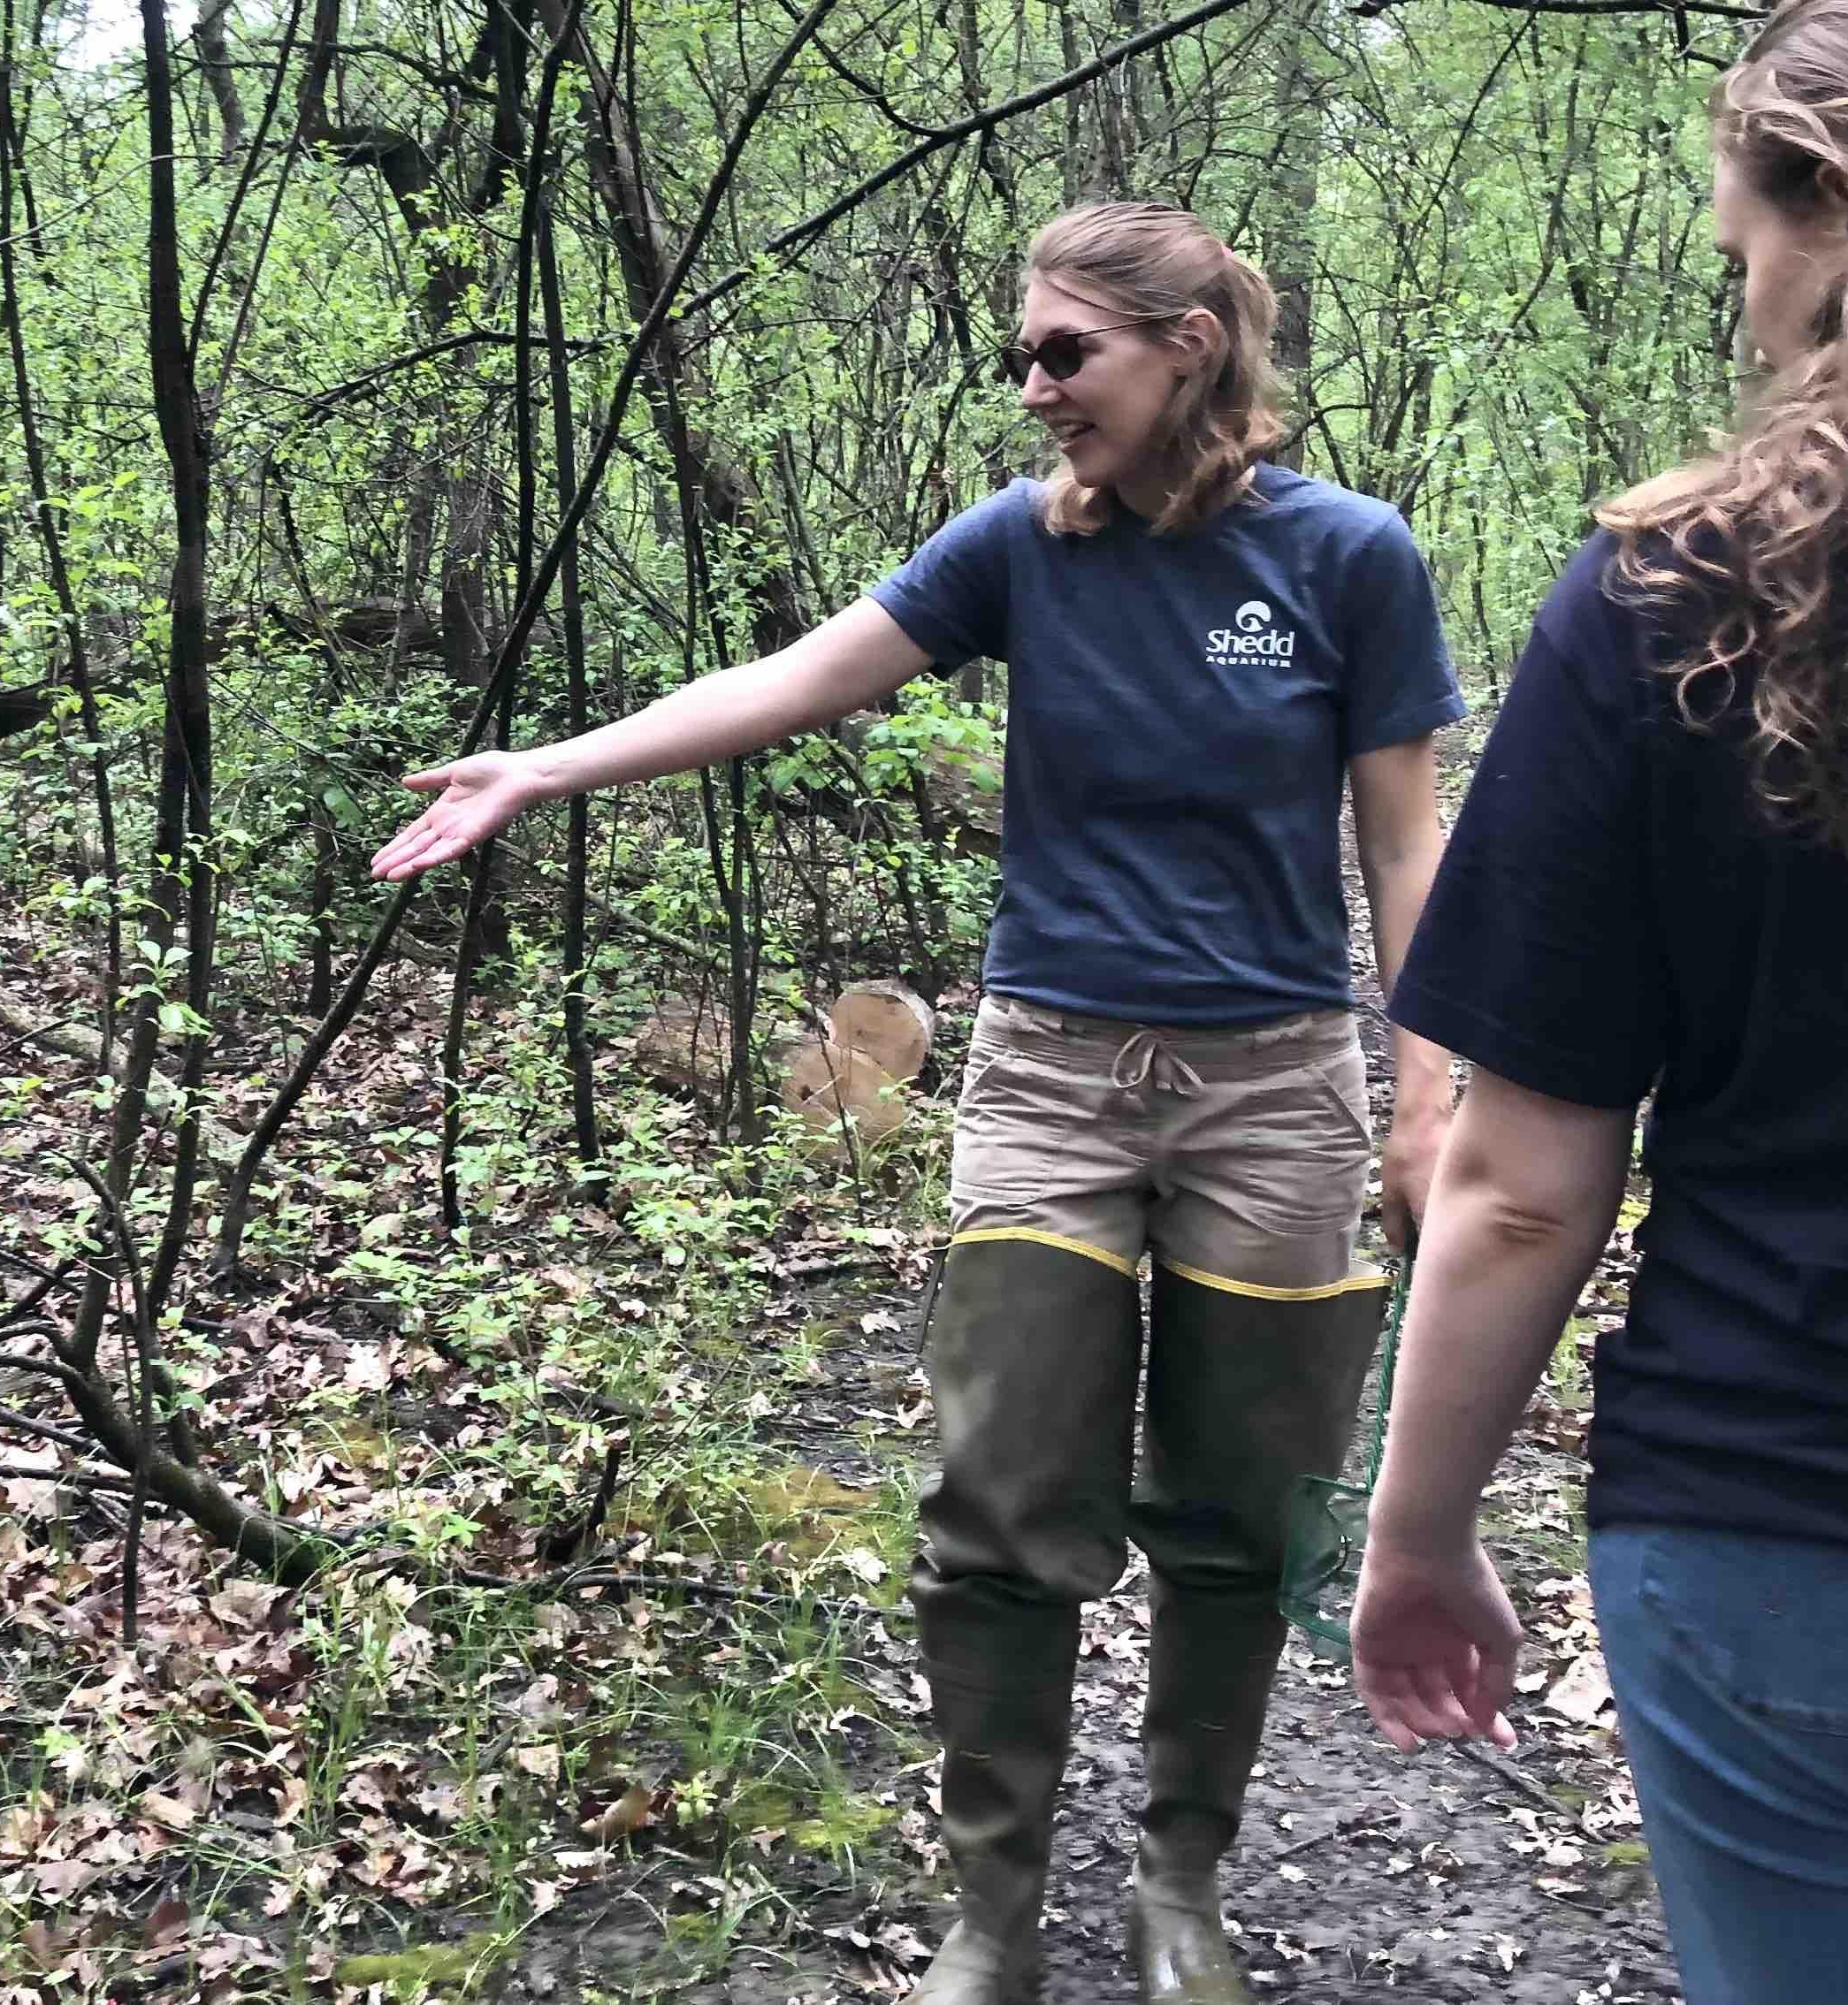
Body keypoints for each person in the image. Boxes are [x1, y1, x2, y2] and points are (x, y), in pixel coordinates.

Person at [376, 202, 1465, 2004]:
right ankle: (995, 1908)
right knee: (1000, 1493)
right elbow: (792, 680)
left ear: (1190, 345)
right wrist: (548, 763)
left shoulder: (1348, 558)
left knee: (1236, 1506)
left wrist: (1425, 1099)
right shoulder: (1017, 555)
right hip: (1050, 1079)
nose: (1032, 389)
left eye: (1067, 354)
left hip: (1275, 1090)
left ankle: (1181, 1879)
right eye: (1020, 354)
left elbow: (1408, 846)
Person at [1350, 2, 1848, 2000]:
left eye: (1744, 243)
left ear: (1845, 203)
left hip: (1813, 1530)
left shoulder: (1690, 592)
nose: (1747, 306)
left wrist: (1415, 1538)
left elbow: (1520, 1180)